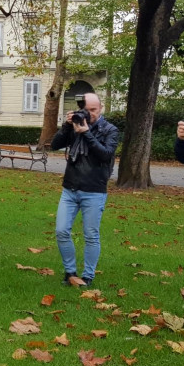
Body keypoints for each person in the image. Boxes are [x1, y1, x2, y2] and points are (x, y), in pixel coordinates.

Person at [51, 93, 120, 286]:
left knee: (91, 235)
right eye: (86, 110)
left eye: (93, 110)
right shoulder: (74, 125)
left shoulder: (110, 130)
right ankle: (70, 272)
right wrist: (66, 126)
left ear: (101, 108)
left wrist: (86, 133)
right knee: (61, 231)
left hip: (94, 190)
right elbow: (55, 145)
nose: (89, 114)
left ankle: (88, 276)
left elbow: (105, 155)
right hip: (70, 188)